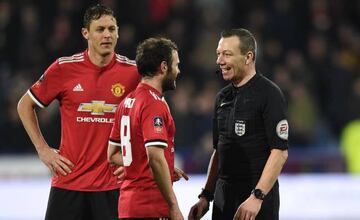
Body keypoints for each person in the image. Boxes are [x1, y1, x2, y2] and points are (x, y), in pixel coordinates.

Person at [17, 4, 141, 220]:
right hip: (69, 182)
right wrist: (43, 149)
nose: (107, 35)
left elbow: (149, 118)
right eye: (100, 29)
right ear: (86, 33)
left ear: (118, 32)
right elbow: (24, 105)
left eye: (112, 29)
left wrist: (136, 159)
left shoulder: (133, 73)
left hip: (113, 186)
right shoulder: (63, 69)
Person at [188, 28, 289, 220]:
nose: (220, 61)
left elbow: (280, 152)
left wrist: (257, 197)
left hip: (255, 200)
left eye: (227, 54)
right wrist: (206, 196)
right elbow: (219, 151)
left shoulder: (270, 95)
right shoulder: (222, 97)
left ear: (248, 57)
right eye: (218, 54)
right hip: (223, 198)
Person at [108, 37, 186, 220]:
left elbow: (112, 155)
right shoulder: (153, 104)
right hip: (150, 206)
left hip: (128, 206)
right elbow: (155, 158)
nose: (179, 71)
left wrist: (163, 167)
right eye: (176, 65)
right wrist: (173, 207)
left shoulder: (126, 102)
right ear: (164, 67)